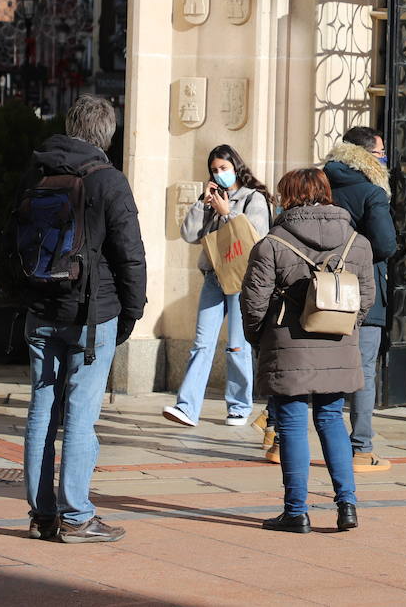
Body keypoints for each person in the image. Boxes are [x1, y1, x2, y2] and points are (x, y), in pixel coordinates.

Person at [19, 94, 147, 544]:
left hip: (41, 309)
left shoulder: (39, 172)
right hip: (93, 314)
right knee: (80, 416)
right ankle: (77, 517)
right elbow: (130, 255)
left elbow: (16, 242)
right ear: (106, 135)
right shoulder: (109, 181)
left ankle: (42, 515)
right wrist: (131, 312)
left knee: (41, 413)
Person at [240, 167, 374, 533]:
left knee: (292, 425)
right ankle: (347, 505)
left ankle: (296, 512)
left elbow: (254, 302)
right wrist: (341, 325)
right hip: (338, 343)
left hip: (288, 345)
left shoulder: (272, 242)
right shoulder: (357, 242)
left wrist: (260, 338)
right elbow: (366, 299)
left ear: (289, 196)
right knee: (332, 420)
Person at [164, 144, 272, 429]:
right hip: (213, 277)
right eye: (214, 169)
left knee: (237, 345)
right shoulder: (209, 199)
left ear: (236, 167)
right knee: (201, 343)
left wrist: (227, 213)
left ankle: (239, 406)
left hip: (241, 279)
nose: (219, 173)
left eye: (223, 168)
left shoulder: (254, 199)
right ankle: (186, 406)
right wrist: (204, 202)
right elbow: (188, 234)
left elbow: (257, 238)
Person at [323, 125, 397, 471]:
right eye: (380, 153)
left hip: (321, 290)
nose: (384, 158)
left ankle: (315, 441)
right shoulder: (372, 192)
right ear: (367, 155)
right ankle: (361, 447)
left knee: (323, 366)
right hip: (363, 292)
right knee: (363, 370)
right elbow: (386, 245)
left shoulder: (319, 183)